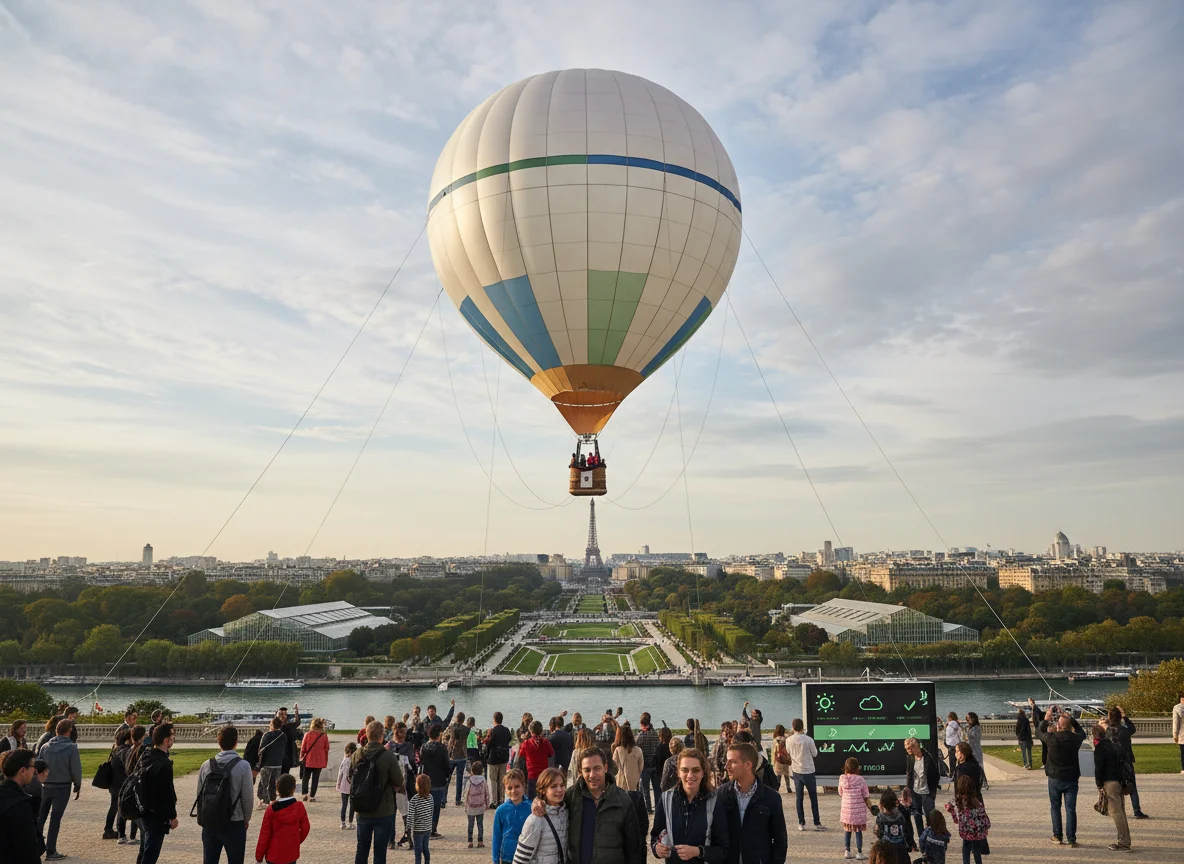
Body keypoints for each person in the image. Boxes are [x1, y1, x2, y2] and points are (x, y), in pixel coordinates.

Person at [555, 748, 643, 864]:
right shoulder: (570, 797)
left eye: (597, 769)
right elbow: (550, 806)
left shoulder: (623, 800)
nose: (592, 775)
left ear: (605, 768)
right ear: (580, 771)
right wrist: (538, 802)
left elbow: (633, 847)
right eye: (587, 770)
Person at [649, 747, 728, 863]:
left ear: (703, 772)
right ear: (678, 772)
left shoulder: (715, 801)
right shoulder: (666, 799)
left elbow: (723, 850)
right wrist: (656, 848)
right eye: (685, 770)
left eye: (695, 770)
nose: (690, 775)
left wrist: (698, 851)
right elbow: (655, 836)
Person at [195, 723, 254, 864]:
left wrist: (203, 816)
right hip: (234, 820)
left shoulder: (206, 765)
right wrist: (246, 818)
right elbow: (247, 798)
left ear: (218, 742)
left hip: (210, 821)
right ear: (236, 743)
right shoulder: (243, 766)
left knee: (209, 860)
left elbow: (200, 795)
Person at [720, 741, 787, 864]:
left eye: (733, 762)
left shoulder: (771, 798)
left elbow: (780, 840)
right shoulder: (721, 795)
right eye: (727, 761)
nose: (727, 766)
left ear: (747, 765)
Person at [351, 719, 405, 864]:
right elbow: (399, 781)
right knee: (380, 851)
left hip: (362, 807)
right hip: (384, 808)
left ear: (367, 735)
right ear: (382, 736)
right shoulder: (388, 756)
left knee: (362, 848)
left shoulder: (357, 754)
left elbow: (351, 778)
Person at [1036, 704, 1085, 847]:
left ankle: (1057, 835)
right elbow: (1082, 732)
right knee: (1070, 809)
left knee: (1055, 807)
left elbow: (1039, 733)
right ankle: (1071, 838)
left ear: (1058, 725)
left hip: (1055, 777)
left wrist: (1045, 718)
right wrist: (1071, 719)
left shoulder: (1052, 738)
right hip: (1071, 777)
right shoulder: (1075, 739)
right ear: (1070, 727)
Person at [38, 717, 81, 861]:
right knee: (55, 819)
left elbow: (39, 766)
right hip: (62, 786)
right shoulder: (72, 747)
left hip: (46, 785)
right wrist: (77, 785)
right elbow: (76, 769)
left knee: (41, 817)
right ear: (69, 731)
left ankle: (35, 846)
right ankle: (51, 850)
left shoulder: (45, 746)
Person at [137, 722, 179, 864]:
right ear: (166, 740)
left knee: (146, 847)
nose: (174, 739)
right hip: (156, 813)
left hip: (144, 808)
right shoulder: (164, 763)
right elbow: (167, 793)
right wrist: (172, 816)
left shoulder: (145, 755)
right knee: (151, 851)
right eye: (173, 736)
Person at [510, 767, 567, 864]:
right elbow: (520, 858)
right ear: (544, 790)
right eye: (553, 786)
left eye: (562, 785)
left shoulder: (566, 812)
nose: (559, 790)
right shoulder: (535, 819)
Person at [1092, 723, 1131, 852]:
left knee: (1116, 812)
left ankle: (1123, 842)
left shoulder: (1100, 748)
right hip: (1119, 780)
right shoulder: (1115, 745)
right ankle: (1125, 839)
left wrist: (1099, 784)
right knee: (1121, 812)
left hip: (1110, 782)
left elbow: (1099, 768)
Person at [254, 772, 309, 864]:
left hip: (273, 854)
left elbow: (264, 834)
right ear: (294, 789)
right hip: (291, 853)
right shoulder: (299, 807)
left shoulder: (271, 809)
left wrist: (259, 856)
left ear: (277, 790)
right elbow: (305, 828)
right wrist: (295, 841)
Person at [0, 748, 42, 864]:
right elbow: (28, 851)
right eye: (33, 766)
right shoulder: (21, 806)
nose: (35, 771)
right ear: (23, 771)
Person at [1105, 705, 1147, 819]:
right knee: (1132, 787)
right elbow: (1133, 728)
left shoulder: (1108, 730)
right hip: (1126, 762)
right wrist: (1125, 716)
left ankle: (1115, 810)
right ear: (1119, 717)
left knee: (1114, 788)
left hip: (1113, 763)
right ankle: (1137, 810)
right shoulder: (1125, 730)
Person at [786, 718, 824, 831]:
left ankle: (801, 823)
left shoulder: (789, 740)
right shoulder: (809, 740)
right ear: (802, 727)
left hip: (796, 771)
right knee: (813, 798)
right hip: (808, 771)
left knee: (799, 798)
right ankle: (816, 822)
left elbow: (788, 752)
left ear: (793, 727)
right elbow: (815, 754)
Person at [944, 776, 989, 864]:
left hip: (965, 830)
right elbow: (982, 814)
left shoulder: (958, 800)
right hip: (976, 830)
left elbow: (948, 806)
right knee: (976, 849)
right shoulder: (976, 801)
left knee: (966, 848)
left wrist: (955, 818)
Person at [904, 737, 941, 841]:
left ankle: (932, 838)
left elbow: (935, 775)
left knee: (930, 817)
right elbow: (909, 774)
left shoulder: (928, 758)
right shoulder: (910, 758)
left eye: (911, 748)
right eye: (907, 749)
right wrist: (908, 789)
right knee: (917, 816)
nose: (910, 750)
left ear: (917, 746)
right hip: (915, 791)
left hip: (927, 792)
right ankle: (922, 839)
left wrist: (932, 792)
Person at [492, 768, 531, 864]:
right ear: (505, 789)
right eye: (509, 788)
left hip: (527, 856)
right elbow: (496, 836)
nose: (513, 791)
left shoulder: (532, 808)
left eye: (517, 786)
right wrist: (495, 859)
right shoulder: (501, 810)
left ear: (523, 786)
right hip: (507, 857)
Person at [418, 723, 450, 836]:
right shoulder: (442, 748)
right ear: (439, 734)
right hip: (439, 779)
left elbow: (421, 762)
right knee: (436, 807)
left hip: (426, 779)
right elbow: (446, 764)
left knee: (425, 805)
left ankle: (423, 827)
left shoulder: (423, 747)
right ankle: (432, 829)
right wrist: (447, 775)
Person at [838, 757, 872, 861]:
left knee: (847, 831)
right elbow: (866, 794)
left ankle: (847, 851)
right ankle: (859, 852)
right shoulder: (860, 779)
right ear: (857, 768)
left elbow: (840, 792)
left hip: (846, 811)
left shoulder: (842, 778)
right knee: (858, 831)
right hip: (858, 812)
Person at [102, 728, 132, 840]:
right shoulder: (125, 751)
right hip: (120, 783)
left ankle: (108, 829)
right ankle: (120, 833)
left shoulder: (116, 749)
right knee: (120, 807)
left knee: (114, 806)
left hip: (114, 783)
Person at [874, 789, 914, 859]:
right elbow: (905, 831)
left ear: (882, 803)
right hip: (900, 848)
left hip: (886, 848)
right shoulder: (900, 816)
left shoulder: (880, 817)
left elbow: (878, 833)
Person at [297, 718, 330, 803]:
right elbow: (327, 748)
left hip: (308, 760)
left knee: (305, 778)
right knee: (315, 779)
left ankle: (305, 794)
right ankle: (312, 796)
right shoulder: (324, 735)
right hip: (319, 761)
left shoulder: (307, 734)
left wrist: (301, 757)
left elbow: (303, 748)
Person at [519, 721, 554, 800]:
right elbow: (551, 754)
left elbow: (521, 754)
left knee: (532, 800)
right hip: (544, 775)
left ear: (531, 731)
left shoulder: (526, 743)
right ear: (541, 731)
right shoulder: (546, 742)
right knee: (544, 799)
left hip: (532, 775)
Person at [257, 718, 287, 806]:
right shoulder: (283, 735)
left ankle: (262, 800)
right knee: (273, 783)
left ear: (272, 725)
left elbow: (260, 748)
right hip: (278, 763)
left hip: (266, 763)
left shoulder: (266, 735)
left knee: (263, 782)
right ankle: (272, 799)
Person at [485, 712, 513, 806]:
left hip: (493, 758)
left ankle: (494, 801)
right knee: (502, 779)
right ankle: (501, 799)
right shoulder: (506, 730)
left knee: (493, 780)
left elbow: (489, 744)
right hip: (504, 757)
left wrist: (487, 754)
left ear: (494, 719)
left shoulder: (493, 731)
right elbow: (509, 739)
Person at [634, 713, 659, 814]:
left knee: (645, 790)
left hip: (644, 765)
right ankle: (658, 807)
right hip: (654, 764)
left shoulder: (640, 737)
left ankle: (648, 808)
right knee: (657, 789)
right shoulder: (655, 734)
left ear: (641, 723)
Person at [464, 760, 491, 848]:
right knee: (480, 824)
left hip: (471, 807)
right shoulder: (483, 781)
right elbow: (487, 793)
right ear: (482, 770)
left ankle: (470, 841)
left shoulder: (469, 781)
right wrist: (487, 804)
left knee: (470, 824)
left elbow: (466, 794)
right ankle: (480, 841)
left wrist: (466, 806)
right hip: (480, 806)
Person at [408, 774, 434, 864]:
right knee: (425, 848)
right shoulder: (430, 797)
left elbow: (410, 816)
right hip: (427, 828)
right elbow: (431, 811)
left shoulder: (414, 800)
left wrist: (407, 828)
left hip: (418, 830)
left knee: (418, 852)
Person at [447, 712, 470, 805]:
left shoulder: (451, 728)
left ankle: (443, 799)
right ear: (463, 720)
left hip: (451, 755)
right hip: (461, 755)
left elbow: (450, 729)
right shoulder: (466, 729)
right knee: (459, 779)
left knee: (447, 778)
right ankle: (457, 799)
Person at [612, 724, 643, 793]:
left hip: (621, 781)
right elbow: (641, 767)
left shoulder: (618, 749)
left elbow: (614, 766)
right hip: (634, 781)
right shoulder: (638, 750)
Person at [337, 741, 358, 830]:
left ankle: (342, 823)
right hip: (352, 786)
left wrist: (338, 784)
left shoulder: (344, 760)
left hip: (344, 785)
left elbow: (340, 774)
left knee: (344, 805)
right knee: (352, 805)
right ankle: (350, 822)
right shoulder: (355, 761)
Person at [962, 714, 986, 791]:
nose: (968, 720)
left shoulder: (977, 728)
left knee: (979, 766)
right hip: (970, 749)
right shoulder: (969, 727)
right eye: (967, 718)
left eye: (970, 718)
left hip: (976, 749)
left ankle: (983, 782)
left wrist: (967, 731)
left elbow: (973, 737)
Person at [547, 718, 573, 786]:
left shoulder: (551, 737)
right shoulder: (568, 735)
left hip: (555, 763)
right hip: (566, 761)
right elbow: (571, 748)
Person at [770, 724, 792, 791]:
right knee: (786, 774)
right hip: (785, 758)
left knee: (778, 774)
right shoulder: (786, 739)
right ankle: (788, 787)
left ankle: (777, 787)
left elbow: (774, 751)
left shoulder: (775, 740)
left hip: (778, 759)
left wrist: (773, 761)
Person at [942, 714, 962, 778]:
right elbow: (960, 734)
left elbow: (947, 735)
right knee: (959, 760)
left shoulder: (949, 725)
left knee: (952, 762)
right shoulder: (958, 725)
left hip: (951, 745)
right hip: (958, 744)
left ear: (950, 718)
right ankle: (959, 774)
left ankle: (952, 774)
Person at [1173, 692, 1184, 774]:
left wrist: (1175, 734)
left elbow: (1176, 722)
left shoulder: (1177, 708)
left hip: (1182, 734)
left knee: (1183, 753)